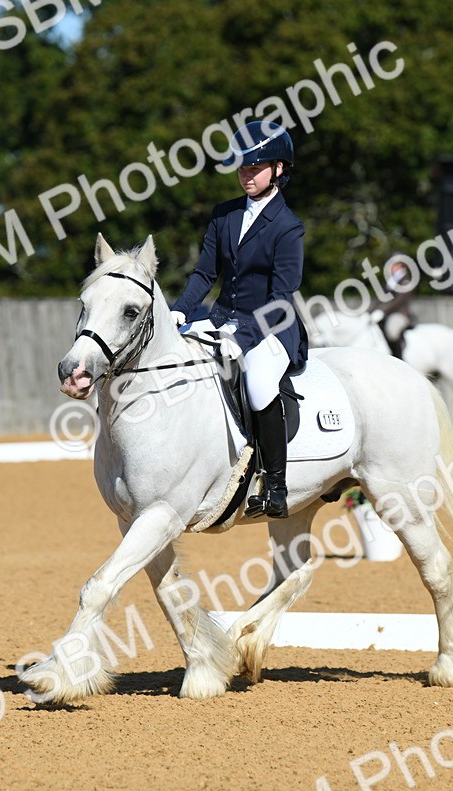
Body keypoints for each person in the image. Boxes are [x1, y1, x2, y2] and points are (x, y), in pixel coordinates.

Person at [170, 120, 307, 519]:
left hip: (270, 327)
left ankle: (276, 486)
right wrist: (179, 310)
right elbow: (204, 274)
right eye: (242, 167)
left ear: (278, 169)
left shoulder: (288, 227)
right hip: (221, 318)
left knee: (260, 383)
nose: (246, 174)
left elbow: (282, 299)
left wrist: (242, 338)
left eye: (255, 167)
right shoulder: (224, 215)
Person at [370, 253, 418, 360]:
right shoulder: (390, 281)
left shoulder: (406, 280)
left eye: (393, 265)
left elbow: (399, 301)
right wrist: (369, 311)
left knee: (392, 330)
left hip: (400, 314)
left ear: (401, 265)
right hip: (387, 314)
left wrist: (383, 312)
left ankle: (399, 359)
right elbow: (380, 298)